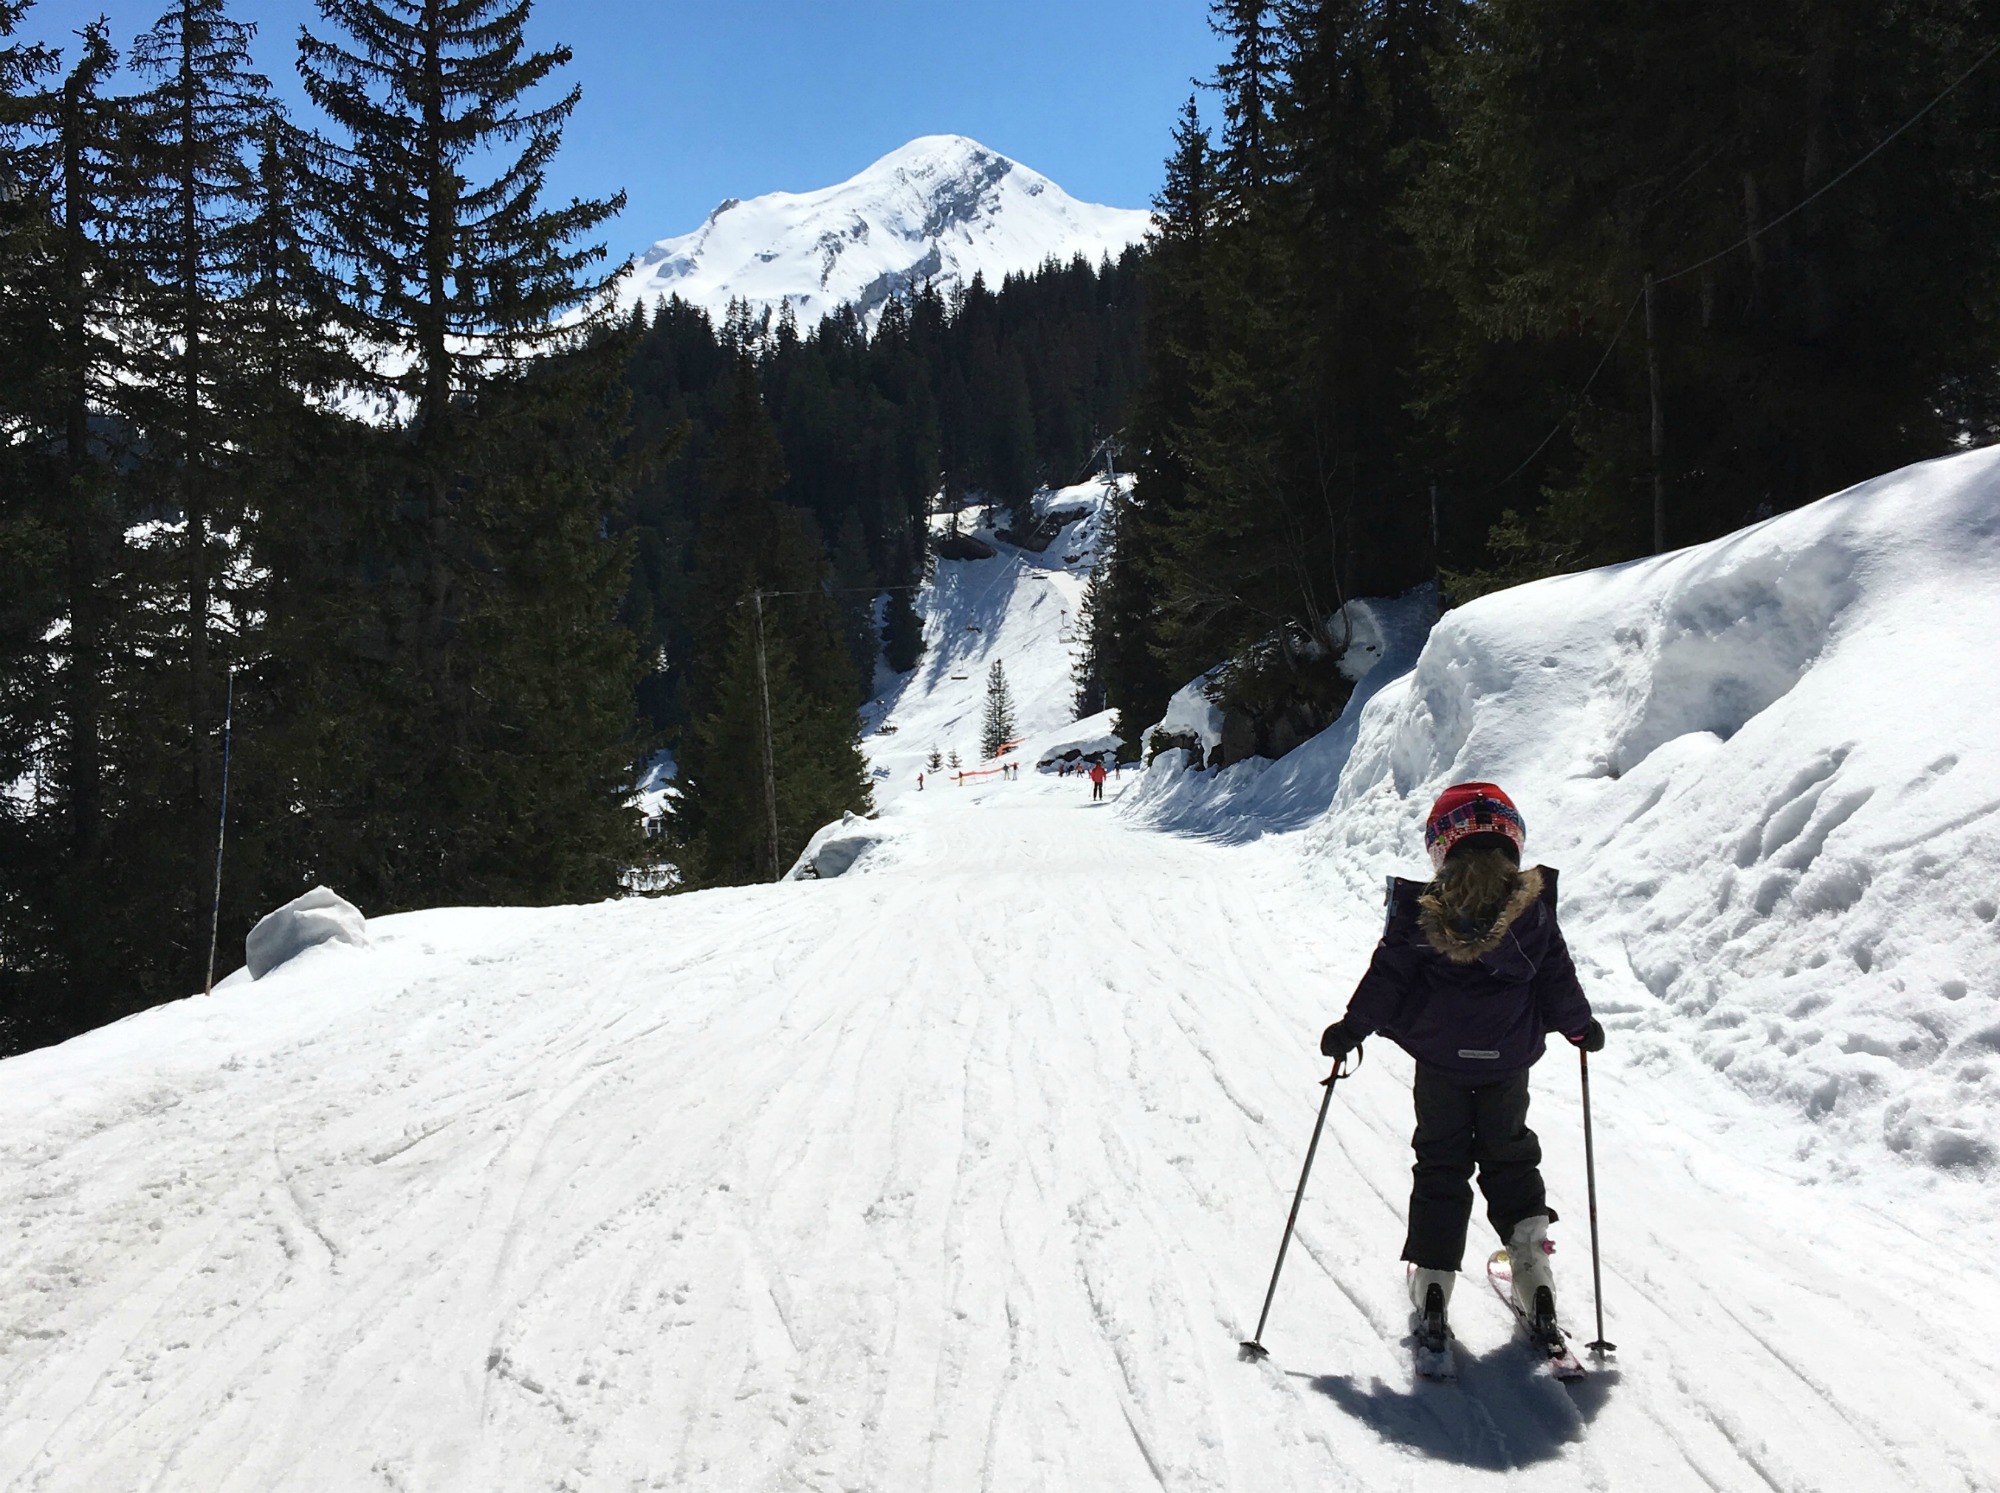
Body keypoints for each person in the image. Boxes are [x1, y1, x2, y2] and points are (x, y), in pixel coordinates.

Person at [1318, 782, 1605, 1360]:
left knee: (1442, 1161)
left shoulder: (1422, 911)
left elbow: (1388, 978)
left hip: (1441, 1063)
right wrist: (1580, 1027)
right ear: (1513, 841)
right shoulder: (1533, 910)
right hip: (1507, 1064)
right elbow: (1557, 979)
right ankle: (1534, 1276)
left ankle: (1432, 1288)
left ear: (1440, 848)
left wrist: (1351, 1030)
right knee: (1510, 1155)